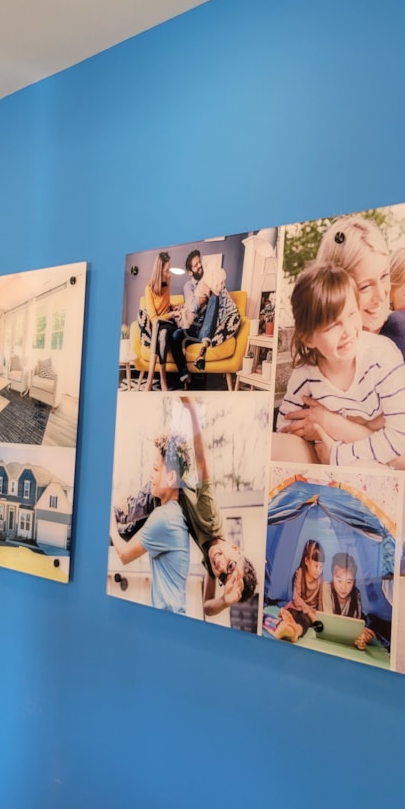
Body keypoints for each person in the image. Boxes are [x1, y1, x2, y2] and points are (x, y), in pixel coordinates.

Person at [280, 216, 405, 469]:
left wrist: (331, 422)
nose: (382, 295)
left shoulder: (399, 331)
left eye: (384, 276)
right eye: (365, 286)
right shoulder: (316, 362)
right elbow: (294, 427)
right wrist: (374, 422)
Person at [177, 396, 258, 616]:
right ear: (236, 549)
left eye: (222, 577)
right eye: (230, 566)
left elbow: (207, 608)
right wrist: (192, 411)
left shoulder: (213, 558)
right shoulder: (210, 518)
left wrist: (223, 601)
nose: (220, 567)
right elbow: (201, 461)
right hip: (168, 481)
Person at [109, 431, 192, 614]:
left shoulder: (164, 518)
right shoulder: (174, 514)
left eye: (155, 469)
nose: (151, 476)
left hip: (167, 619)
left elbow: (124, 555)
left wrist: (111, 524)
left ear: (171, 478)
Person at [169, 250, 229, 381]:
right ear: (190, 272)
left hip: (207, 328)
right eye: (196, 265)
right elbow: (192, 307)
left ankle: (202, 351)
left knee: (215, 296)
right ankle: (185, 375)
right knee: (175, 336)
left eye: (199, 262)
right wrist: (206, 295)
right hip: (191, 329)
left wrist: (209, 294)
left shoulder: (210, 279)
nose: (200, 265)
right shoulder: (188, 286)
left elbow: (219, 301)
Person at [322, 551, 384, 652]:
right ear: (333, 577)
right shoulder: (326, 588)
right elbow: (329, 623)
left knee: (374, 631)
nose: (344, 587)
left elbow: (356, 626)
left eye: (349, 582)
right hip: (335, 633)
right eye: (339, 580)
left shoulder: (355, 594)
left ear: (354, 581)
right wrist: (355, 632)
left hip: (364, 619)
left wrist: (360, 639)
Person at [143, 251, 181, 392]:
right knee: (161, 332)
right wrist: (171, 312)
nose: (168, 273)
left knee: (161, 328)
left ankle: (150, 382)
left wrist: (173, 308)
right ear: (159, 271)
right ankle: (162, 380)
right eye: (166, 270)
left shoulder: (168, 280)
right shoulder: (148, 289)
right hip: (158, 325)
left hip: (169, 323)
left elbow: (165, 304)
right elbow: (154, 319)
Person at [273, 539, 325, 642]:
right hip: (297, 607)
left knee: (305, 621)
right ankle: (283, 627)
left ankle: (296, 631)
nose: (318, 570)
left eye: (321, 567)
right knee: (291, 613)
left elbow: (320, 600)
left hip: (310, 612)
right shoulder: (300, 572)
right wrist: (308, 611)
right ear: (306, 561)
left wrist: (319, 616)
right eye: (316, 566)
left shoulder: (320, 579)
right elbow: (296, 598)